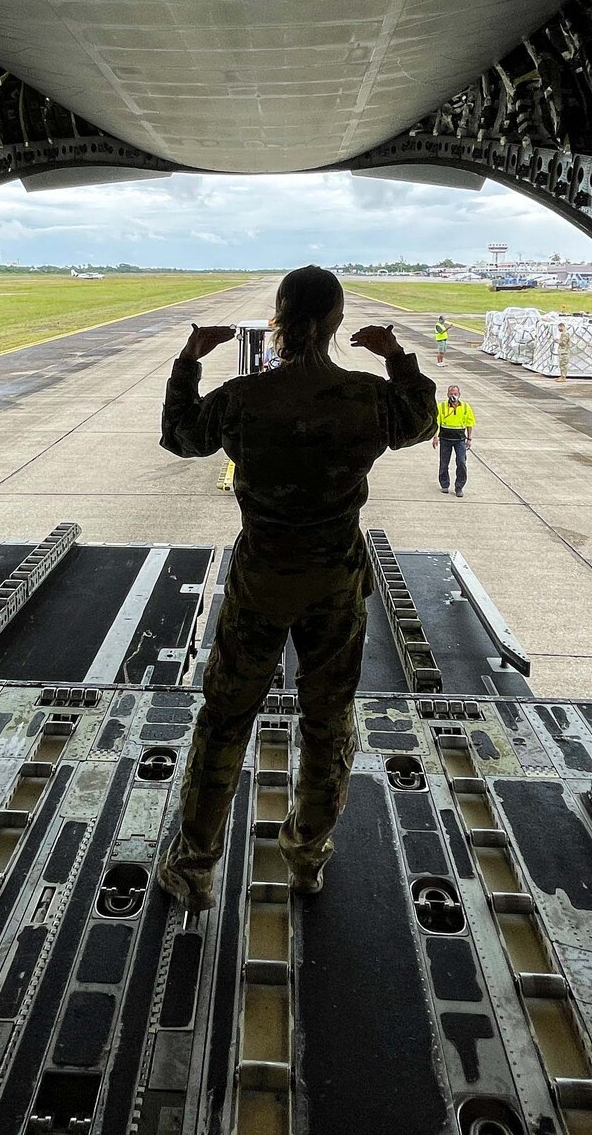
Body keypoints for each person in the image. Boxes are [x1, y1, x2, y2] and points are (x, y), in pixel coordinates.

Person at [156, 267, 437, 909]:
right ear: (338, 322)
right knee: (327, 724)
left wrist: (188, 361)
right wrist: (395, 356)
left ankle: (195, 866)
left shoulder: (243, 399)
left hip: (261, 584)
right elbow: (421, 420)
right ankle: (307, 857)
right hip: (334, 584)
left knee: (225, 721)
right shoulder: (366, 396)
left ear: (277, 320)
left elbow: (180, 436)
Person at [436, 383, 475, 496]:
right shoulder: (442, 406)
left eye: (455, 394)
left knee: (461, 462)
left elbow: (469, 423)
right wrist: (435, 437)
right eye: (451, 394)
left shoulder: (465, 407)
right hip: (445, 439)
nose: (453, 396)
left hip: (460, 440)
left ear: (459, 394)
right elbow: (437, 422)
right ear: (447, 394)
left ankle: (459, 487)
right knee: (444, 463)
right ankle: (444, 484)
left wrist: (469, 439)